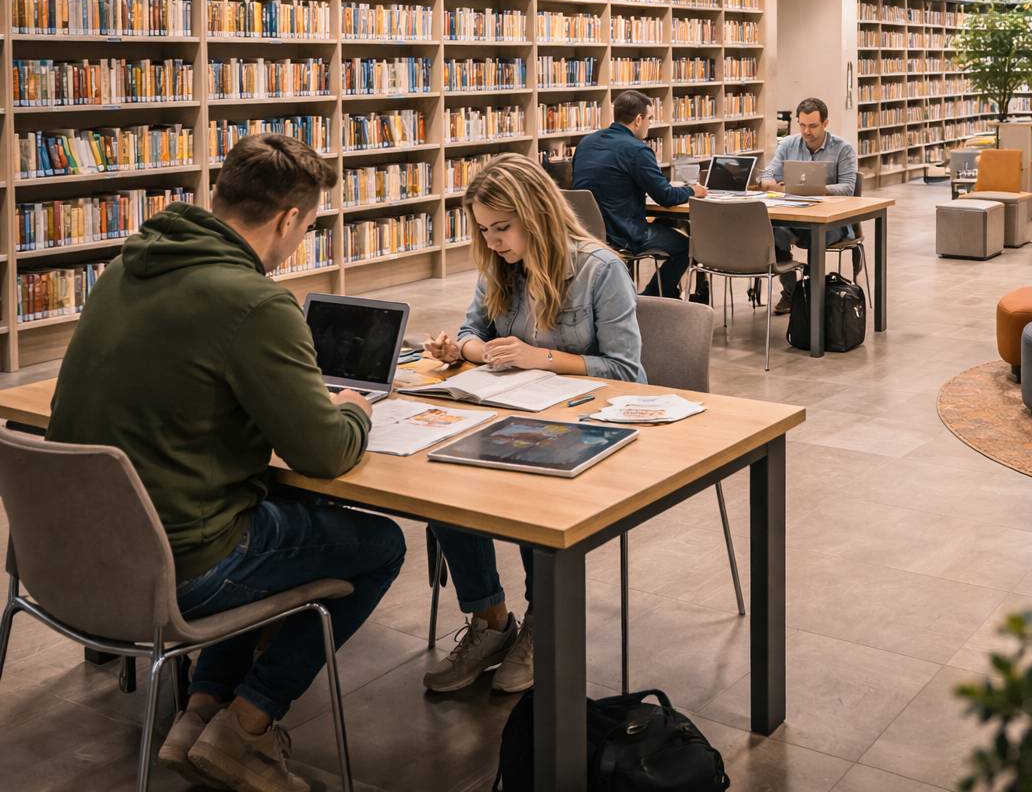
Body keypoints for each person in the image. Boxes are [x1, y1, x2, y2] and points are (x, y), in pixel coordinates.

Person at [47, 134, 405, 792]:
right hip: (177, 568)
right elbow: (324, 452)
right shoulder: (255, 303)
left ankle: (200, 709)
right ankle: (247, 729)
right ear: (288, 220)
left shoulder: (128, 266)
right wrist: (353, 407)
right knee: (378, 544)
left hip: (73, 558)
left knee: (288, 513)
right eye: (308, 228)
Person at [421, 153, 644, 694]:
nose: (493, 241)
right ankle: (491, 621)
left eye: (502, 228)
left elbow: (630, 372)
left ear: (537, 213)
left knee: (529, 495)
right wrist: (463, 348)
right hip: (508, 410)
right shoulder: (498, 265)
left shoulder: (599, 269)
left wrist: (537, 357)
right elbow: (473, 329)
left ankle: (544, 620)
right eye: (483, 230)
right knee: (442, 488)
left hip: (579, 424)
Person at [571, 89, 706, 298]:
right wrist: (692, 190)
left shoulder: (586, 143)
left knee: (665, 225)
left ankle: (661, 297)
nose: (648, 124)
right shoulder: (637, 150)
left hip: (586, 233)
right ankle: (653, 297)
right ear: (638, 119)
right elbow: (666, 196)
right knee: (688, 248)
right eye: (649, 119)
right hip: (624, 234)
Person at [757, 97, 858, 314]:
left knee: (815, 235)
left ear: (825, 123)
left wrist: (819, 189)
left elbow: (849, 187)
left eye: (812, 126)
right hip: (795, 216)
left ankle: (812, 294)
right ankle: (793, 292)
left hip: (832, 222)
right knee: (772, 234)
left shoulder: (843, 149)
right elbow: (768, 172)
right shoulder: (788, 144)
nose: (806, 131)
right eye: (802, 125)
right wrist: (767, 182)